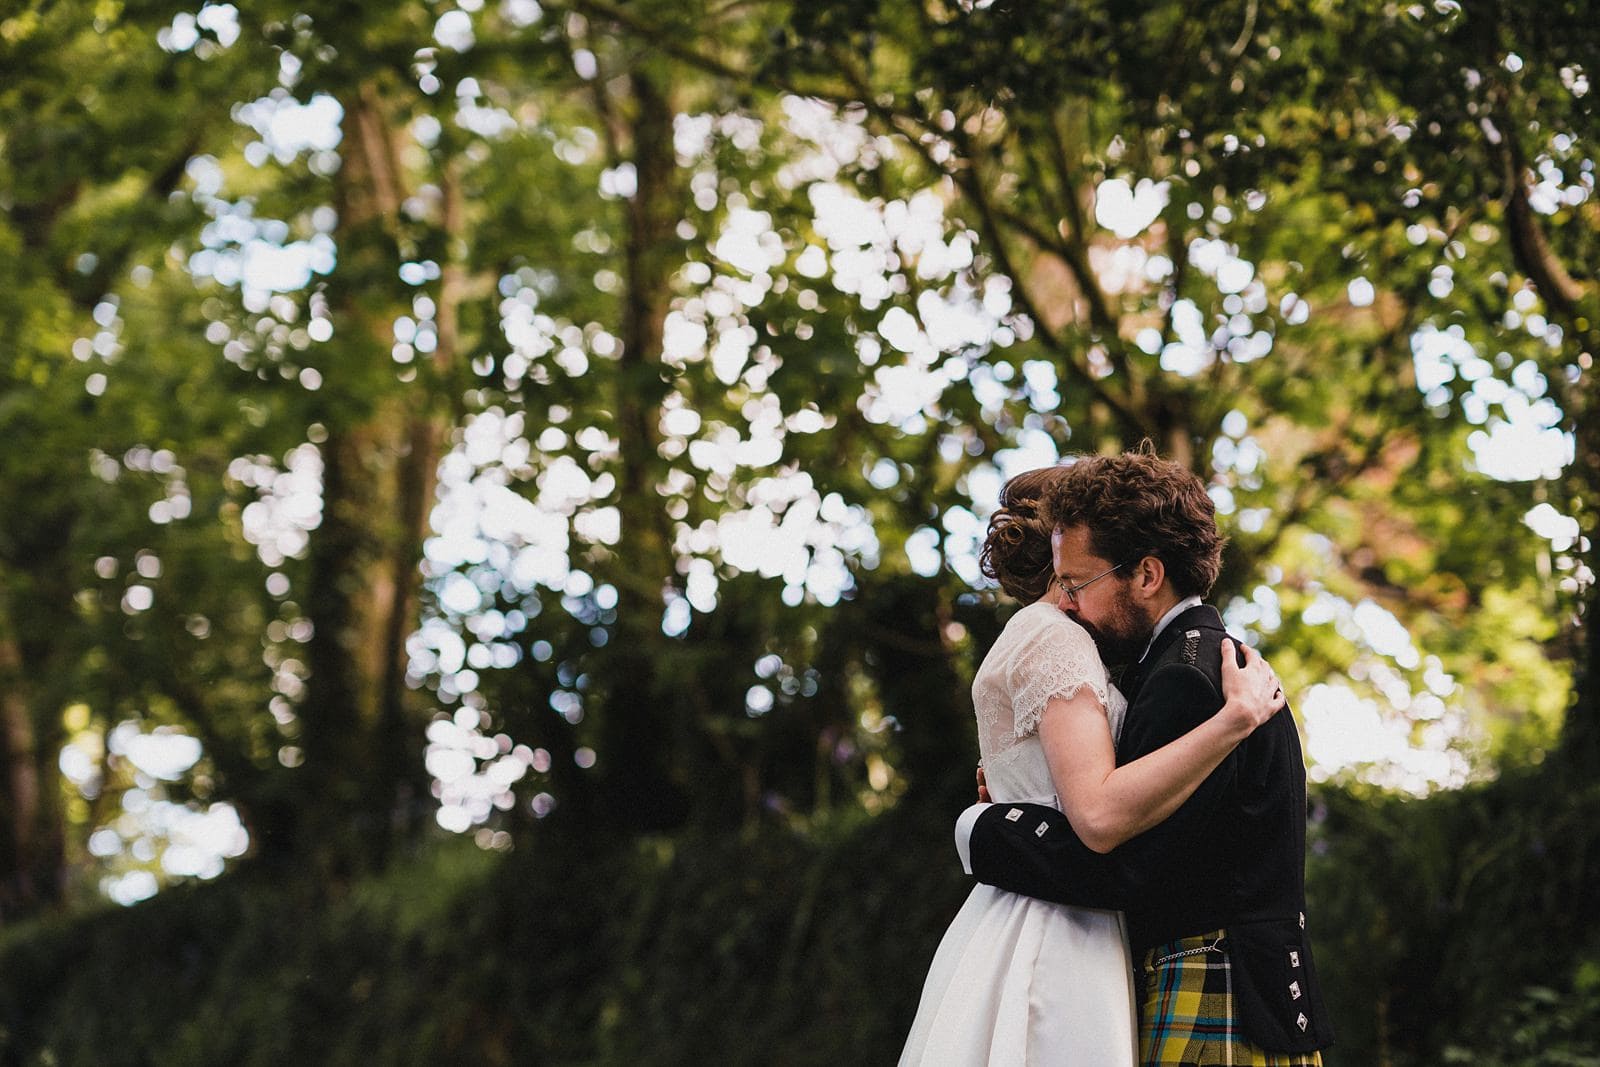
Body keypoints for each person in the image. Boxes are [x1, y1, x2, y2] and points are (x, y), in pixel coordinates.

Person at [956, 450, 1335, 1065]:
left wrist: (987, 829)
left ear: (1147, 575)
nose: (1068, 605)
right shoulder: (1199, 661)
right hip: (1241, 988)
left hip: (1216, 991)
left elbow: (1128, 864)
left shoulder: (1186, 679)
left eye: (1078, 585)